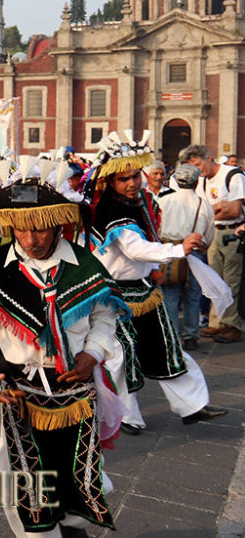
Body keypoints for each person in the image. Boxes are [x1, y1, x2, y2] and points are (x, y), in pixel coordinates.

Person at [0, 175, 126, 538]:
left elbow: (105, 316)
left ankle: (72, 528)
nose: (32, 239)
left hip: (74, 392)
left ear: (58, 224)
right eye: (22, 229)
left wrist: (92, 352)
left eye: (41, 229)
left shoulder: (84, 264)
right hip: (15, 393)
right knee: (24, 493)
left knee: (74, 479)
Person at [89, 132, 227, 433]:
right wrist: (177, 249)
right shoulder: (112, 209)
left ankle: (192, 405)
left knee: (167, 346)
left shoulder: (141, 200)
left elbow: (147, 243)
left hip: (143, 289)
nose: (132, 183)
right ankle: (126, 416)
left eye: (135, 176)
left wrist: (156, 266)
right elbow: (133, 247)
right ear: (111, 182)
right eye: (124, 179)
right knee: (121, 356)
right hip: (113, 294)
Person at [181, 144, 244, 343]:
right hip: (214, 233)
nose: (199, 170)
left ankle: (232, 325)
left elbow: (234, 210)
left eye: (199, 164)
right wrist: (219, 207)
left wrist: (215, 208)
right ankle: (216, 323)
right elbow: (203, 209)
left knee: (231, 281)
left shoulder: (232, 175)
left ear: (209, 158)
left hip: (232, 232)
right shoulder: (203, 180)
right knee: (214, 280)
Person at [158, 164, 213, 351]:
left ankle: (171, 337)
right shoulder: (202, 203)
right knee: (193, 295)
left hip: (169, 250)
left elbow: (156, 226)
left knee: (170, 295)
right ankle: (191, 335)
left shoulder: (164, 201)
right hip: (195, 252)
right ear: (196, 181)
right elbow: (209, 232)